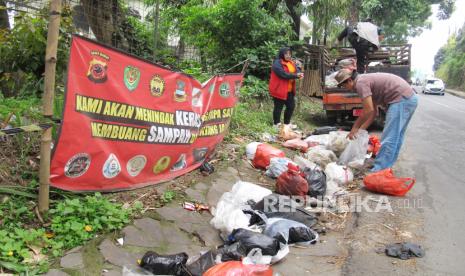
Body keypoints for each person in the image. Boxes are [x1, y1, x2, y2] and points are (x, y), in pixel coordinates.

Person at [334, 69, 418, 172]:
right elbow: (373, 112)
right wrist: (360, 131)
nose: (344, 88)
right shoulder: (364, 81)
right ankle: (386, 166)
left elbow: (368, 110)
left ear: (349, 80)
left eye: (343, 85)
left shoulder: (360, 83)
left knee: (389, 137)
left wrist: (355, 127)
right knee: (396, 136)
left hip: (401, 99)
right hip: (408, 99)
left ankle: (379, 170)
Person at [268, 47, 303, 128]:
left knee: (291, 106)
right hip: (279, 89)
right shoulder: (277, 63)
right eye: (286, 54)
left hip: (289, 90)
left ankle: (286, 124)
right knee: (278, 107)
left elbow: (296, 70)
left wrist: (299, 73)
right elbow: (283, 74)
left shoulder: (291, 62)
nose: (288, 55)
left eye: (289, 54)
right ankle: (276, 124)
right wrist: (295, 75)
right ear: (282, 54)